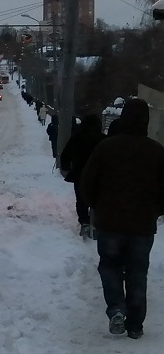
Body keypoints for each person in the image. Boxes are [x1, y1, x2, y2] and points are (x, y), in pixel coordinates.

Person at [79, 98, 164, 339]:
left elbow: (87, 183)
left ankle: (116, 308)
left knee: (110, 266)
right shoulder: (156, 151)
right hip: (142, 226)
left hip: (109, 223)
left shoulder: (106, 148)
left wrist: (96, 206)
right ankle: (135, 324)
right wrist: (155, 210)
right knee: (138, 271)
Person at [58, 114, 104, 238]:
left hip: (81, 174)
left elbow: (66, 155)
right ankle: (96, 221)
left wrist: (66, 167)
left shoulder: (77, 137)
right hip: (99, 176)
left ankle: (84, 222)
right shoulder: (103, 139)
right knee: (98, 199)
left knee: (81, 199)